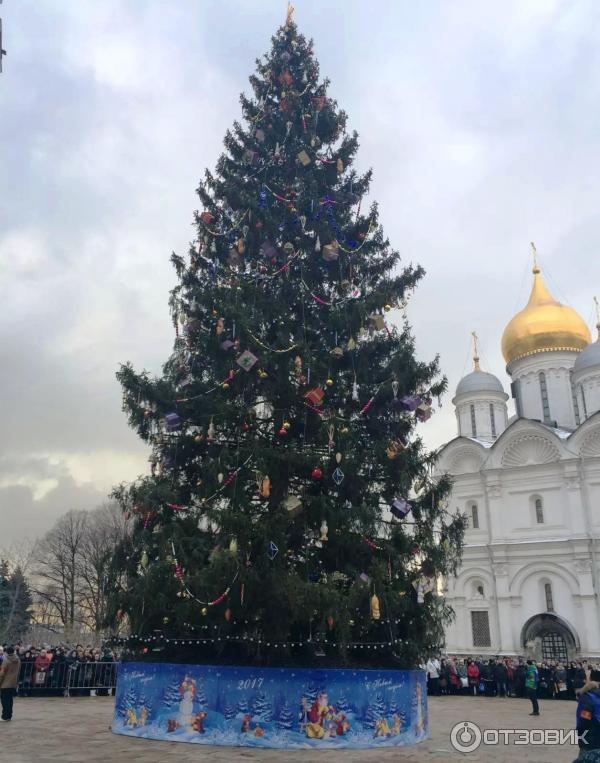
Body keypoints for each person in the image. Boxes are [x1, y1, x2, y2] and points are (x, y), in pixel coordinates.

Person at [576, 681, 600, 754]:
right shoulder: (597, 697)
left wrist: (579, 730)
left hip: (590, 734)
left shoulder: (586, 698)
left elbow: (585, 717)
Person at [0, 646, 21, 721]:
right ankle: (9, 715)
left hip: (5, 684)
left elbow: (2, 673)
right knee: (10, 701)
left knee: (5, 701)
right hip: (13, 683)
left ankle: (5, 716)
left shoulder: (6, 661)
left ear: (6, 652)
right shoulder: (18, 660)